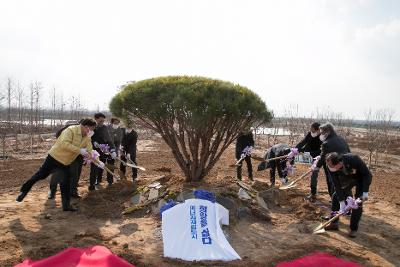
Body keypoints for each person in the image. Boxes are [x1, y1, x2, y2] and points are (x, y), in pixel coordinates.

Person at [16, 118, 98, 211]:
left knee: (65, 184)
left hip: (65, 162)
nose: (91, 131)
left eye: (92, 130)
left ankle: (66, 206)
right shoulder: (70, 130)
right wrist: (79, 150)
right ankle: (23, 191)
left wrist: (94, 158)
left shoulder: (87, 136)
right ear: (85, 126)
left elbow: (89, 148)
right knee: (40, 175)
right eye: (91, 129)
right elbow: (64, 144)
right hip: (54, 158)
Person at [324, 152, 372, 237]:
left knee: (357, 203)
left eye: (332, 166)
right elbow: (336, 184)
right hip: (349, 178)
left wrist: (365, 192)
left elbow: (367, 175)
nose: (330, 168)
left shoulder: (354, 159)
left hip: (361, 178)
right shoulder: (330, 166)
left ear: (339, 163)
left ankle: (353, 229)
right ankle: (334, 223)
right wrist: (341, 202)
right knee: (335, 196)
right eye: (329, 166)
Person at [312, 122, 350, 197]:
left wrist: (316, 167)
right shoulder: (342, 139)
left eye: (322, 133)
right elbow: (349, 151)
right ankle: (345, 202)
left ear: (327, 132)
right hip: (346, 165)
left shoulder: (326, 143)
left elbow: (323, 157)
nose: (321, 135)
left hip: (334, 167)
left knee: (333, 183)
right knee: (345, 186)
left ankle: (335, 202)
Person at [48, 121, 84, 199]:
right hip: (62, 155)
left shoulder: (86, 132)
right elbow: (59, 137)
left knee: (75, 174)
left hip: (77, 156)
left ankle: (73, 191)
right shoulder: (67, 130)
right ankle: (52, 191)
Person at [295, 122, 322, 202]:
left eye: (312, 129)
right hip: (307, 154)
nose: (311, 130)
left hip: (317, 158)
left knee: (314, 174)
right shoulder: (309, 134)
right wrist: (295, 149)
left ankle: (313, 193)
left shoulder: (322, 138)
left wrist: (310, 154)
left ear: (317, 130)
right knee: (293, 159)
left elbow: (320, 151)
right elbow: (303, 142)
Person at [89, 113, 116, 190]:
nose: (102, 123)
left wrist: (113, 150)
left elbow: (109, 140)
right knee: (95, 168)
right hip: (94, 151)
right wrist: (93, 142)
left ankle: (110, 181)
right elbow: (86, 139)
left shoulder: (105, 128)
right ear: (96, 119)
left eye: (103, 121)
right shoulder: (91, 128)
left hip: (104, 149)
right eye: (100, 121)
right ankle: (93, 184)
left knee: (107, 164)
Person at [106, 117, 124, 184]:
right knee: (100, 165)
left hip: (113, 150)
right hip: (104, 148)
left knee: (111, 164)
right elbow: (107, 140)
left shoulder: (119, 130)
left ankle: (110, 181)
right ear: (111, 123)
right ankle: (98, 180)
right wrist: (108, 149)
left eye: (117, 123)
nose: (116, 124)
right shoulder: (107, 128)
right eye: (115, 123)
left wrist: (115, 152)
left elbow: (118, 142)